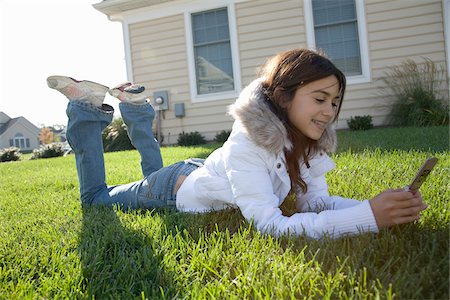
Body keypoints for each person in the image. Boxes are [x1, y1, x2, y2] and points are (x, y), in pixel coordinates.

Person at [47, 48, 427, 239]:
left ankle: (137, 109)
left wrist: (374, 208)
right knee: (96, 198)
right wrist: (367, 218)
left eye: (335, 102)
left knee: (153, 171)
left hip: (205, 172)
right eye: (320, 99)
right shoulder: (249, 143)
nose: (329, 111)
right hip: (171, 190)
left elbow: (314, 202)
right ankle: (85, 108)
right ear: (282, 97)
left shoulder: (306, 141)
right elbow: (270, 224)